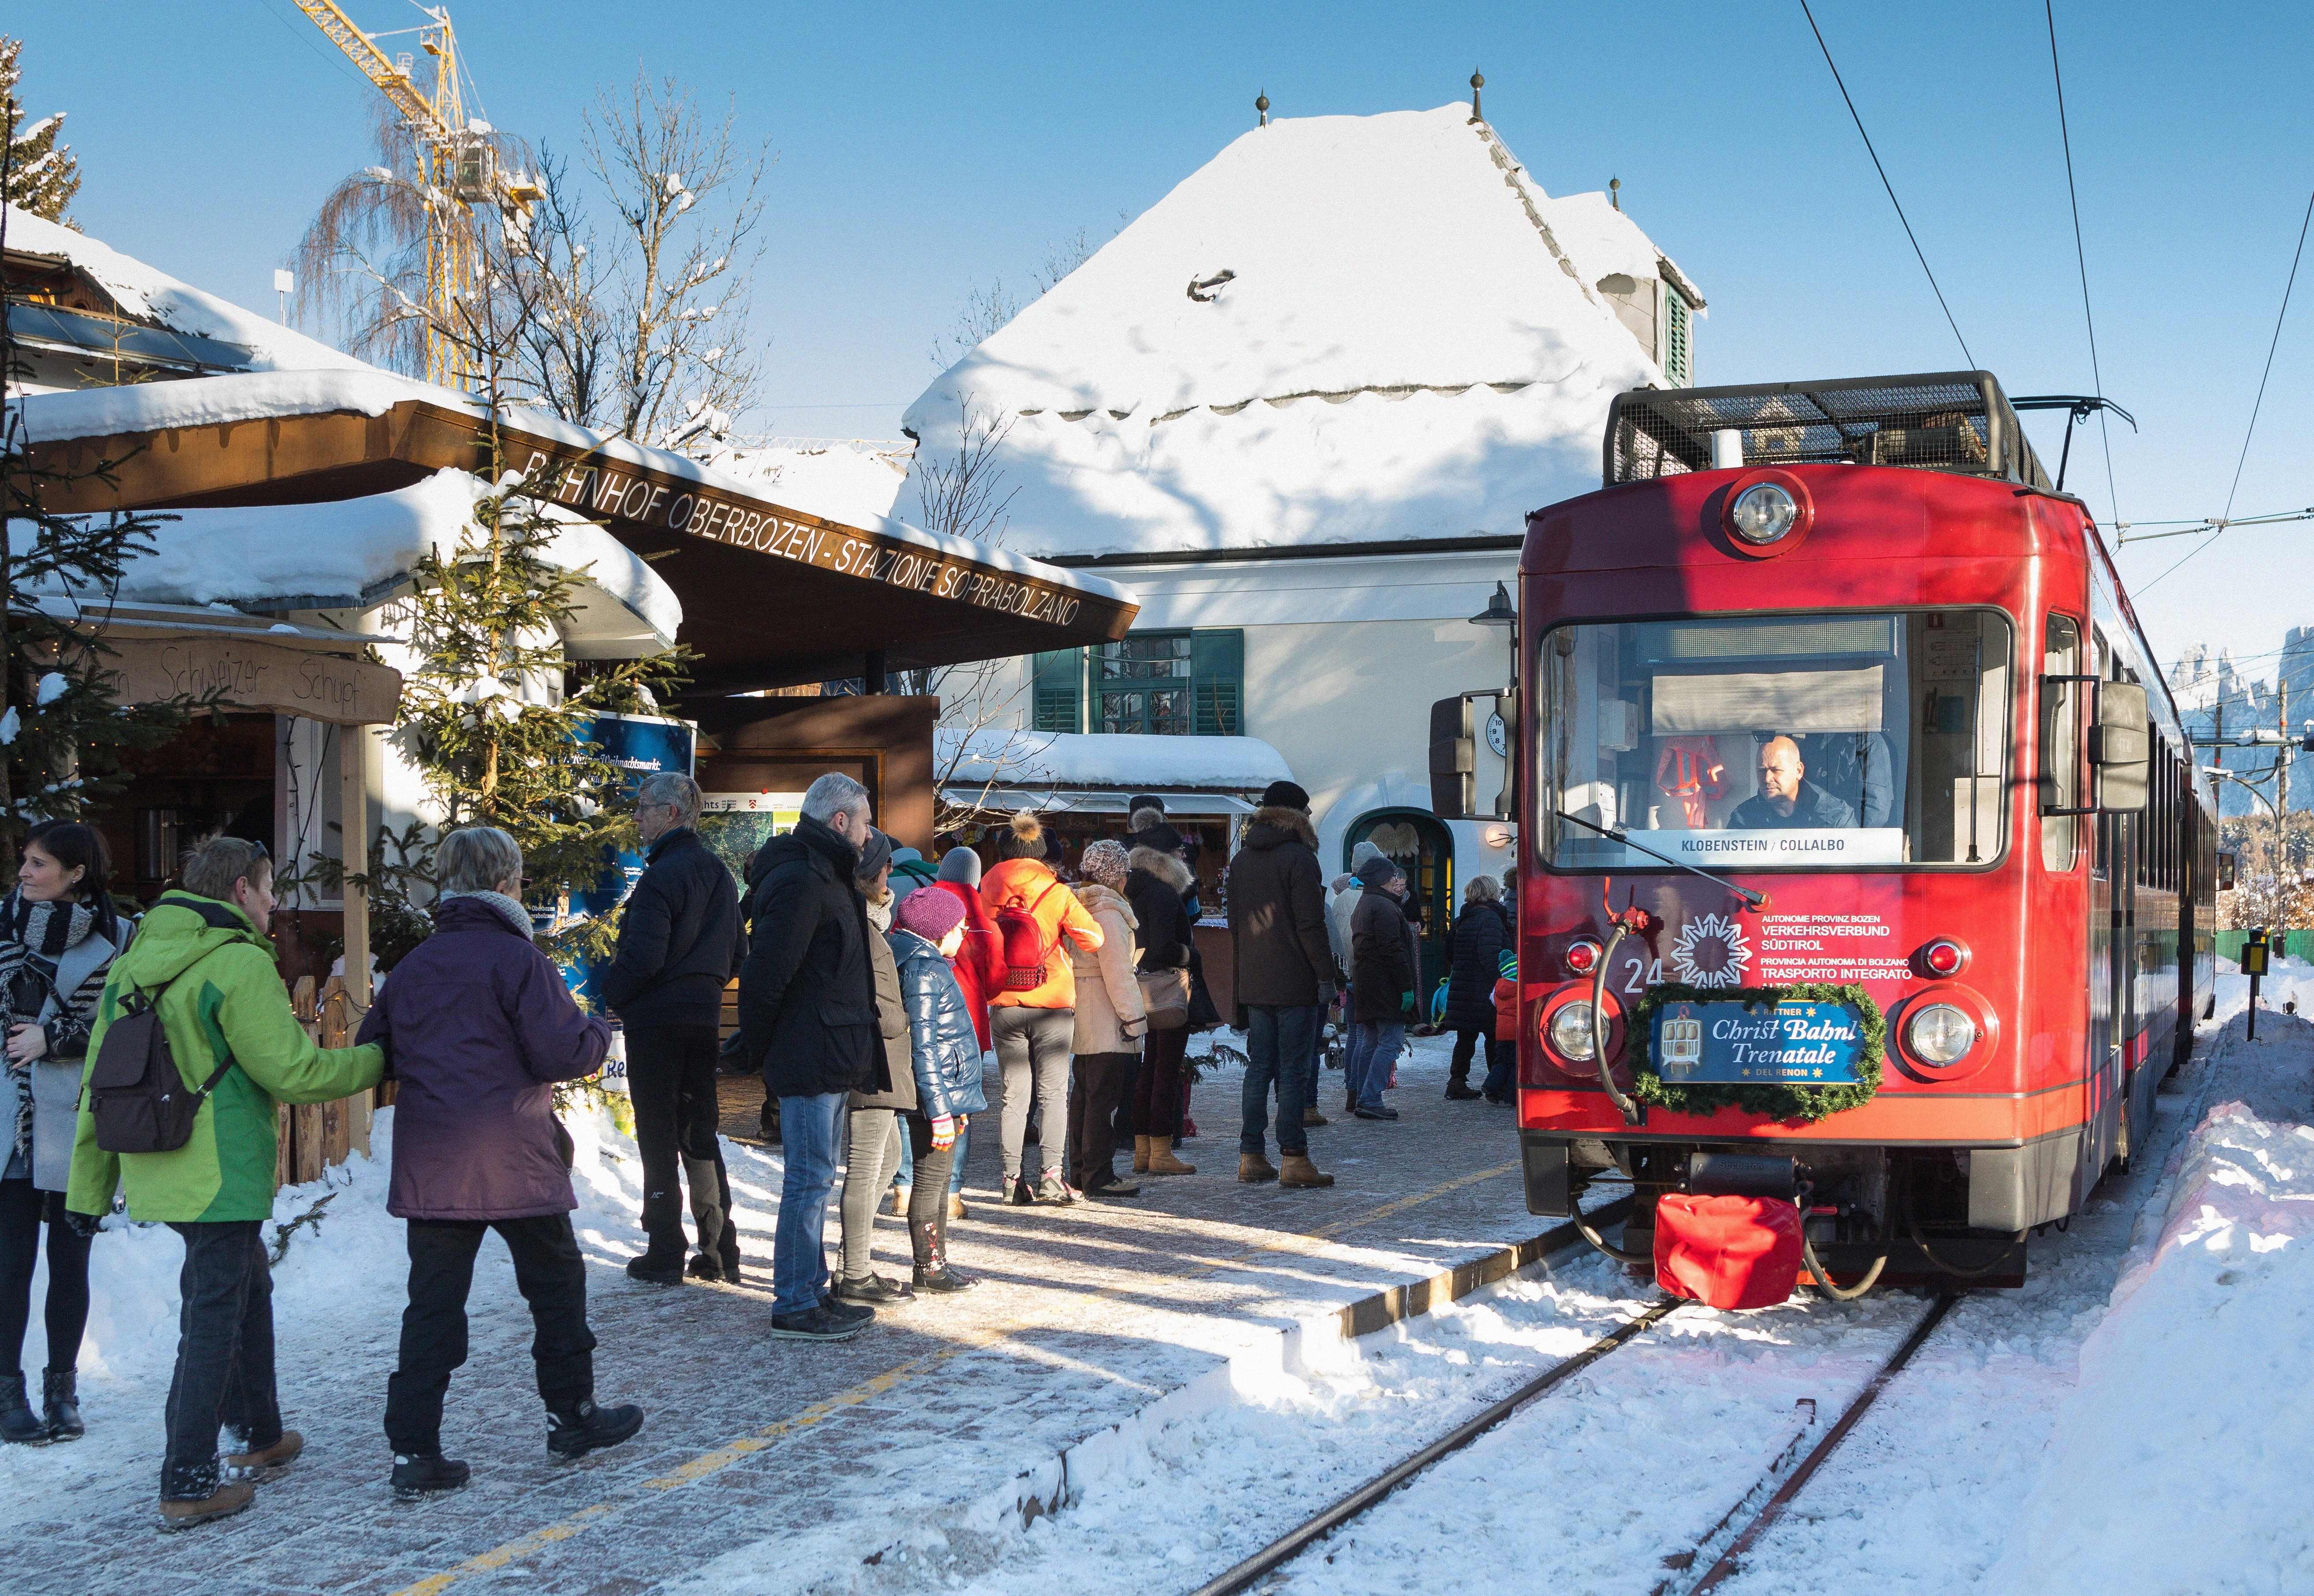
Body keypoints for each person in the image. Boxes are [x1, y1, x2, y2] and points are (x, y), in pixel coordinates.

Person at [67, 836, 385, 1530]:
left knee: (246, 1286)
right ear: (241, 889)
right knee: (211, 1315)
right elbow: (296, 1075)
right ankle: (187, 1479)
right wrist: (380, 1060)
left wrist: (88, 1193)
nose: (276, 904)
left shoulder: (135, 963)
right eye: (270, 889)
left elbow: (99, 1084)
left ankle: (259, 1430)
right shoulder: (237, 961)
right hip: (218, 1172)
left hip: (155, 1162)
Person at [358, 828, 643, 1498]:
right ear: (509, 881)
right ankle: (571, 1416)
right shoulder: (519, 961)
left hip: (435, 1164)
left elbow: (377, 1051)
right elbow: (562, 1052)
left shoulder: (416, 964)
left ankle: (413, 1449)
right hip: (515, 1156)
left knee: (431, 1308)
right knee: (556, 1293)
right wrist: (599, 1030)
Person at [738, 773, 888, 1342]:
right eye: (865, 821)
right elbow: (767, 974)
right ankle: (794, 1301)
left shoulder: (823, 873)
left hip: (824, 1050)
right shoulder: (803, 878)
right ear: (839, 821)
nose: (868, 834)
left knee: (816, 1177)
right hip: (806, 1053)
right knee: (807, 1179)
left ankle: (812, 1291)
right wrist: (758, 1046)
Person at [0, 822, 129, 1445]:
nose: (24, 873)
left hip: (77, 1120)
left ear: (76, 874)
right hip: (10, 1125)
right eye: (24, 862)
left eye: (38, 863)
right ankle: (7, 1395)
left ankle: (62, 1389)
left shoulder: (116, 939)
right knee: (11, 1265)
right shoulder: (1, 929)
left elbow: (123, 1028)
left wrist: (53, 1038)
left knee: (70, 1263)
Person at [595, 772, 741, 1287]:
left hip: (657, 1024)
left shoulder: (660, 877)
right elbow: (738, 951)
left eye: (644, 807)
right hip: (702, 1019)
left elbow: (644, 955)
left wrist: (612, 991)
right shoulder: (719, 875)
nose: (637, 816)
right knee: (700, 1131)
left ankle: (663, 1250)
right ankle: (721, 1248)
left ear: (672, 814)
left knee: (658, 1136)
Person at [980, 811, 1105, 1206]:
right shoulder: (1057, 893)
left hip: (1004, 1002)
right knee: (1053, 1093)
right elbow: (1094, 940)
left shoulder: (986, 890)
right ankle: (1052, 1177)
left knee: (1013, 1095)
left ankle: (1010, 1179)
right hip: (1052, 1003)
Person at [1224, 781, 1335, 1188]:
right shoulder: (1299, 859)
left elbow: (1235, 927)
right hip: (1294, 980)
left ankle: (1251, 1155)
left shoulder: (1242, 860)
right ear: (1298, 815)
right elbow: (1311, 924)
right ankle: (1294, 1157)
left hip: (1255, 980)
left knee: (1259, 1069)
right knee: (1292, 1071)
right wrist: (1326, 976)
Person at [881, 888, 985, 1290]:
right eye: (960, 927)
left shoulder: (921, 960)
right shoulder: (925, 969)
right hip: (939, 1092)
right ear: (938, 930)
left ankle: (936, 1262)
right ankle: (929, 1268)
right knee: (931, 1182)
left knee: (938, 1182)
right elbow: (923, 1044)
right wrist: (940, 1109)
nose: (964, 934)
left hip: (943, 1088)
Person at [891, 846, 1002, 1220]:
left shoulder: (919, 905)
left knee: (910, 1102)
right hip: (964, 1017)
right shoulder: (974, 912)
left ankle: (903, 1187)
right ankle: (951, 1193)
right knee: (958, 1100)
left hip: (910, 1017)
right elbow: (996, 974)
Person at [835, 829, 921, 1305]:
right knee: (866, 1167)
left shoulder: (869, 921)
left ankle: (855, 1263)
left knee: (886, 1161)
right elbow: (869, 994)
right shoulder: (857, 923)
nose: (892, 874)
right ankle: (855, 1273)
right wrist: (897, 1018)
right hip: (870, 1060)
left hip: (883, 1060)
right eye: (885, 866)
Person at [1065, 841, 1146, 1199]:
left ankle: (1081, 1170)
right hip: (1107, 1015)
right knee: (1103, 1099)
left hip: (1081, 1011)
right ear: (1115, 875)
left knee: (1084, 1095)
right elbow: (1118, 972)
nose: (1128, 880)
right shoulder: (1109, 913)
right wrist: (1134, 1019)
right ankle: (1099, 1173)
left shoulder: (1075, 905)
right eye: (1125, 872)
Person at [1124, 840, 1196, 1177]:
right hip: (1165, 988)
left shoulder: (1135, 892)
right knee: (1164, 1070)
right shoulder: (1164, 895)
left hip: (1139, 986)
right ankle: (1161, 1152)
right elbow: (1164, 947)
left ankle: (1143, 1151)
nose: (1183, 858)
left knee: (1148, 1068)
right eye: (1178, 853)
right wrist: (1189, 956)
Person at [1347, 857, 1416, 1121]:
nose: (1396, 880)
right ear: (1382, 880)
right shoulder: (1384, 907)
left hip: (1368, 983)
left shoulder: (1365, 903)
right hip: (1386, 986)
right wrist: (1406, 988)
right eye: (1392, 876)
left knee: (1370, 1041)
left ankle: (1361, 1094)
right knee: (1390, 1042)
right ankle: (1371, 1098)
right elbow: (1393, 951)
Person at [1442, 877, 1509, 1102]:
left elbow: (1449, 952)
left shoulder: (1463, 919)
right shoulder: (1490, 919)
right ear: (1491, 893)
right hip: (1485, 989)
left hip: (1463, 987)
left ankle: (1457, 1082)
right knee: (1494, 1037)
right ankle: (1495, 1085)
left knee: (1466, 1038)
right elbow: (1490, 956)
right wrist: (1502, 981)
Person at [1728, 736, 1858, 830]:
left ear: (1799, 771)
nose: (1767, 779)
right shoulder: (1744, 817)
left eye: (1776, 770)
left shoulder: (1836, 815)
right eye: (1761, 771)